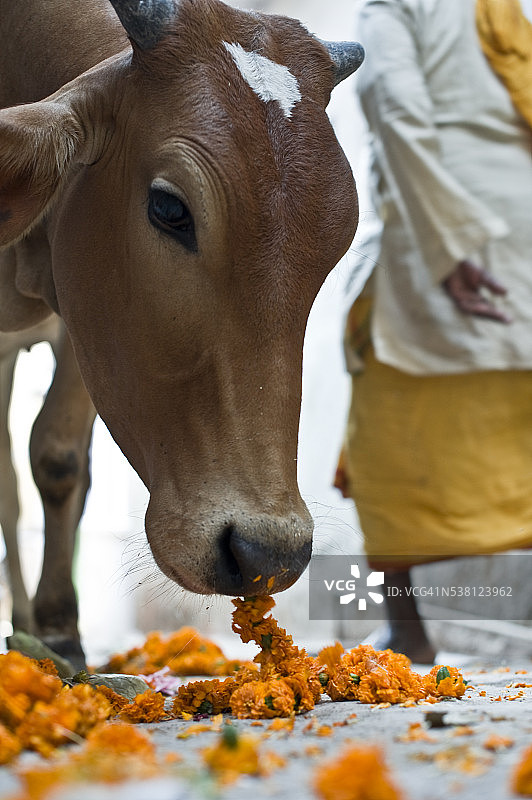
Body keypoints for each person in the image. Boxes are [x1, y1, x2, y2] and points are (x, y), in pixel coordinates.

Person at [334, 0, 532, 663]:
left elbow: (395, 105)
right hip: (522, 215)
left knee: (388, 434)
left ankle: (408, 631)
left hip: (443, 221)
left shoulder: (396, 6)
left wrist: (447, 248)